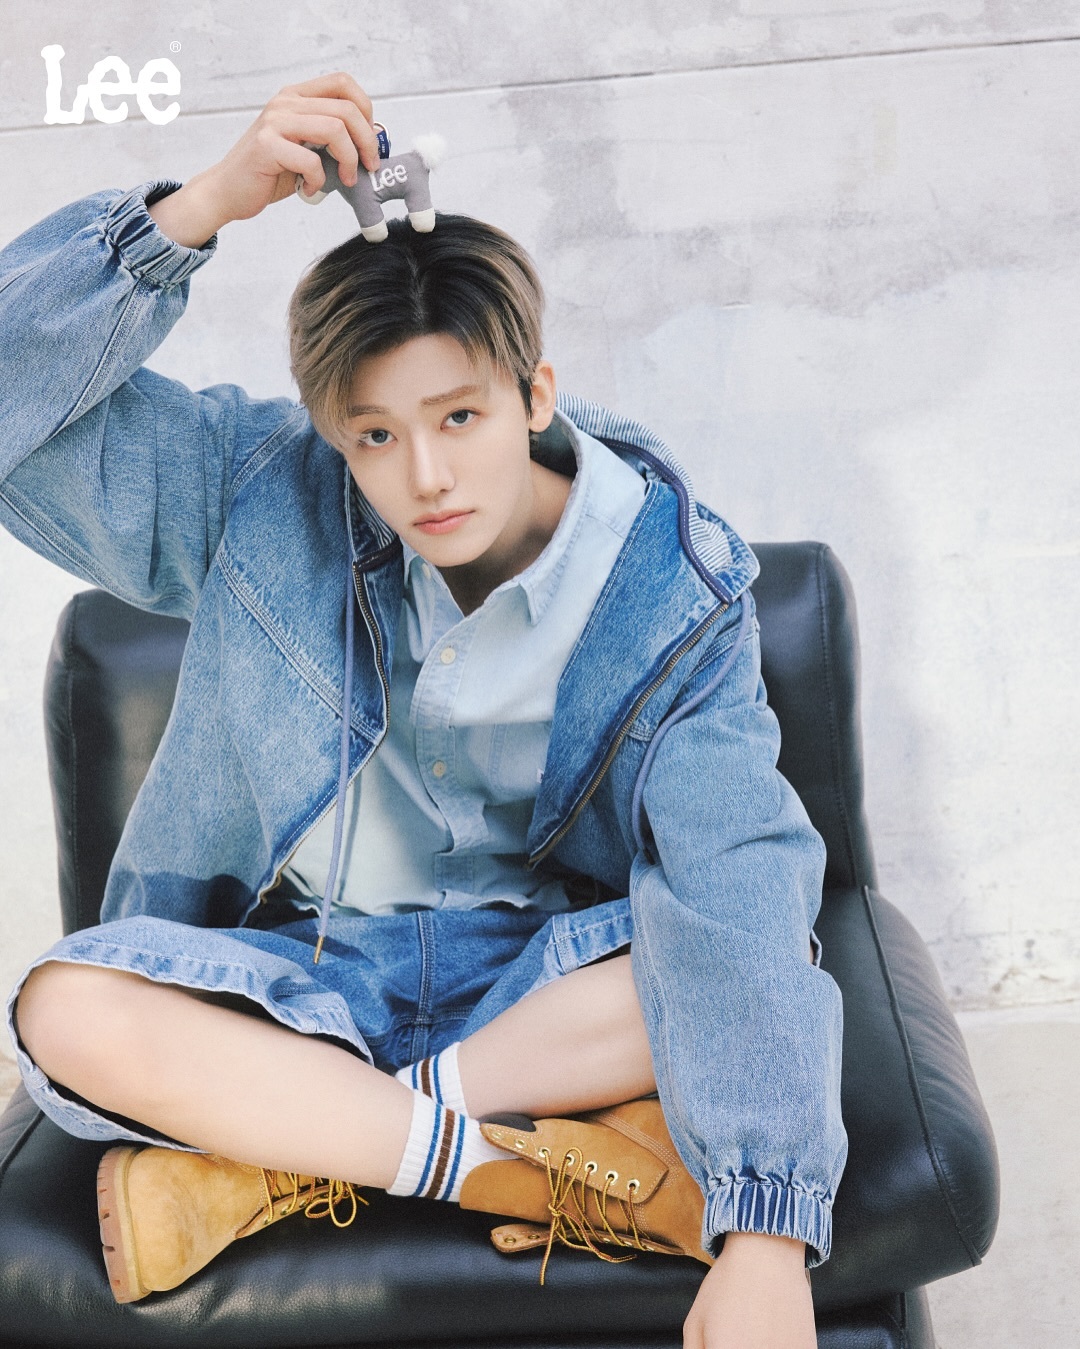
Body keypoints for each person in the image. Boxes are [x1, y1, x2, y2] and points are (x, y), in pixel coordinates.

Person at [0, 72, 846, 1348]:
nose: (428, 476)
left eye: (460, 416)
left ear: (535, 393)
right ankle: (497, 1163)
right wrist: (198, 209)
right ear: (335, 435)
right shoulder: (262, 493)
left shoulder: (668, 591)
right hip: (307, 980)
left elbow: (736, 871)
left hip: (537, 986)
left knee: (730, 955)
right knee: (61, 1006)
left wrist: (768, 1235)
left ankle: (288, 1148)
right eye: (377, 437)